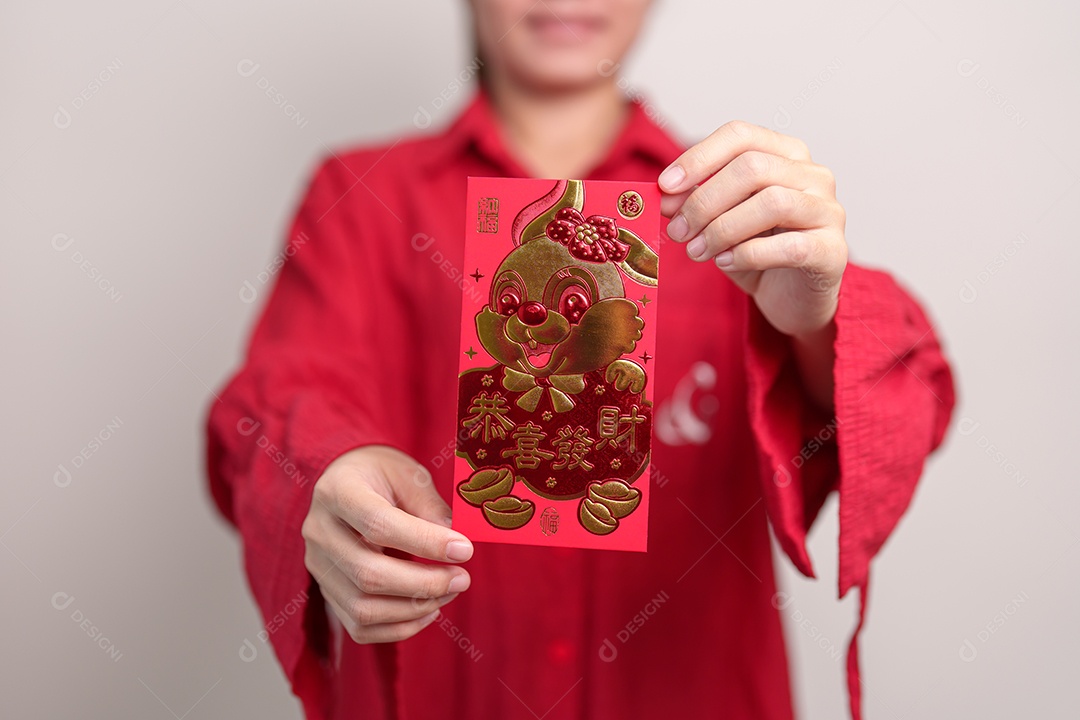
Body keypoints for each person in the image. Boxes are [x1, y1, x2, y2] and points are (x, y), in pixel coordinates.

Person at [206, 1, 955, 718]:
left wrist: (818, 319)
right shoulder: (362, 196)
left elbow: (901, 399)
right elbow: (279, 399)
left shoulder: (740, 218)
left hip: (687, 691)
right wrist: (331, 468)